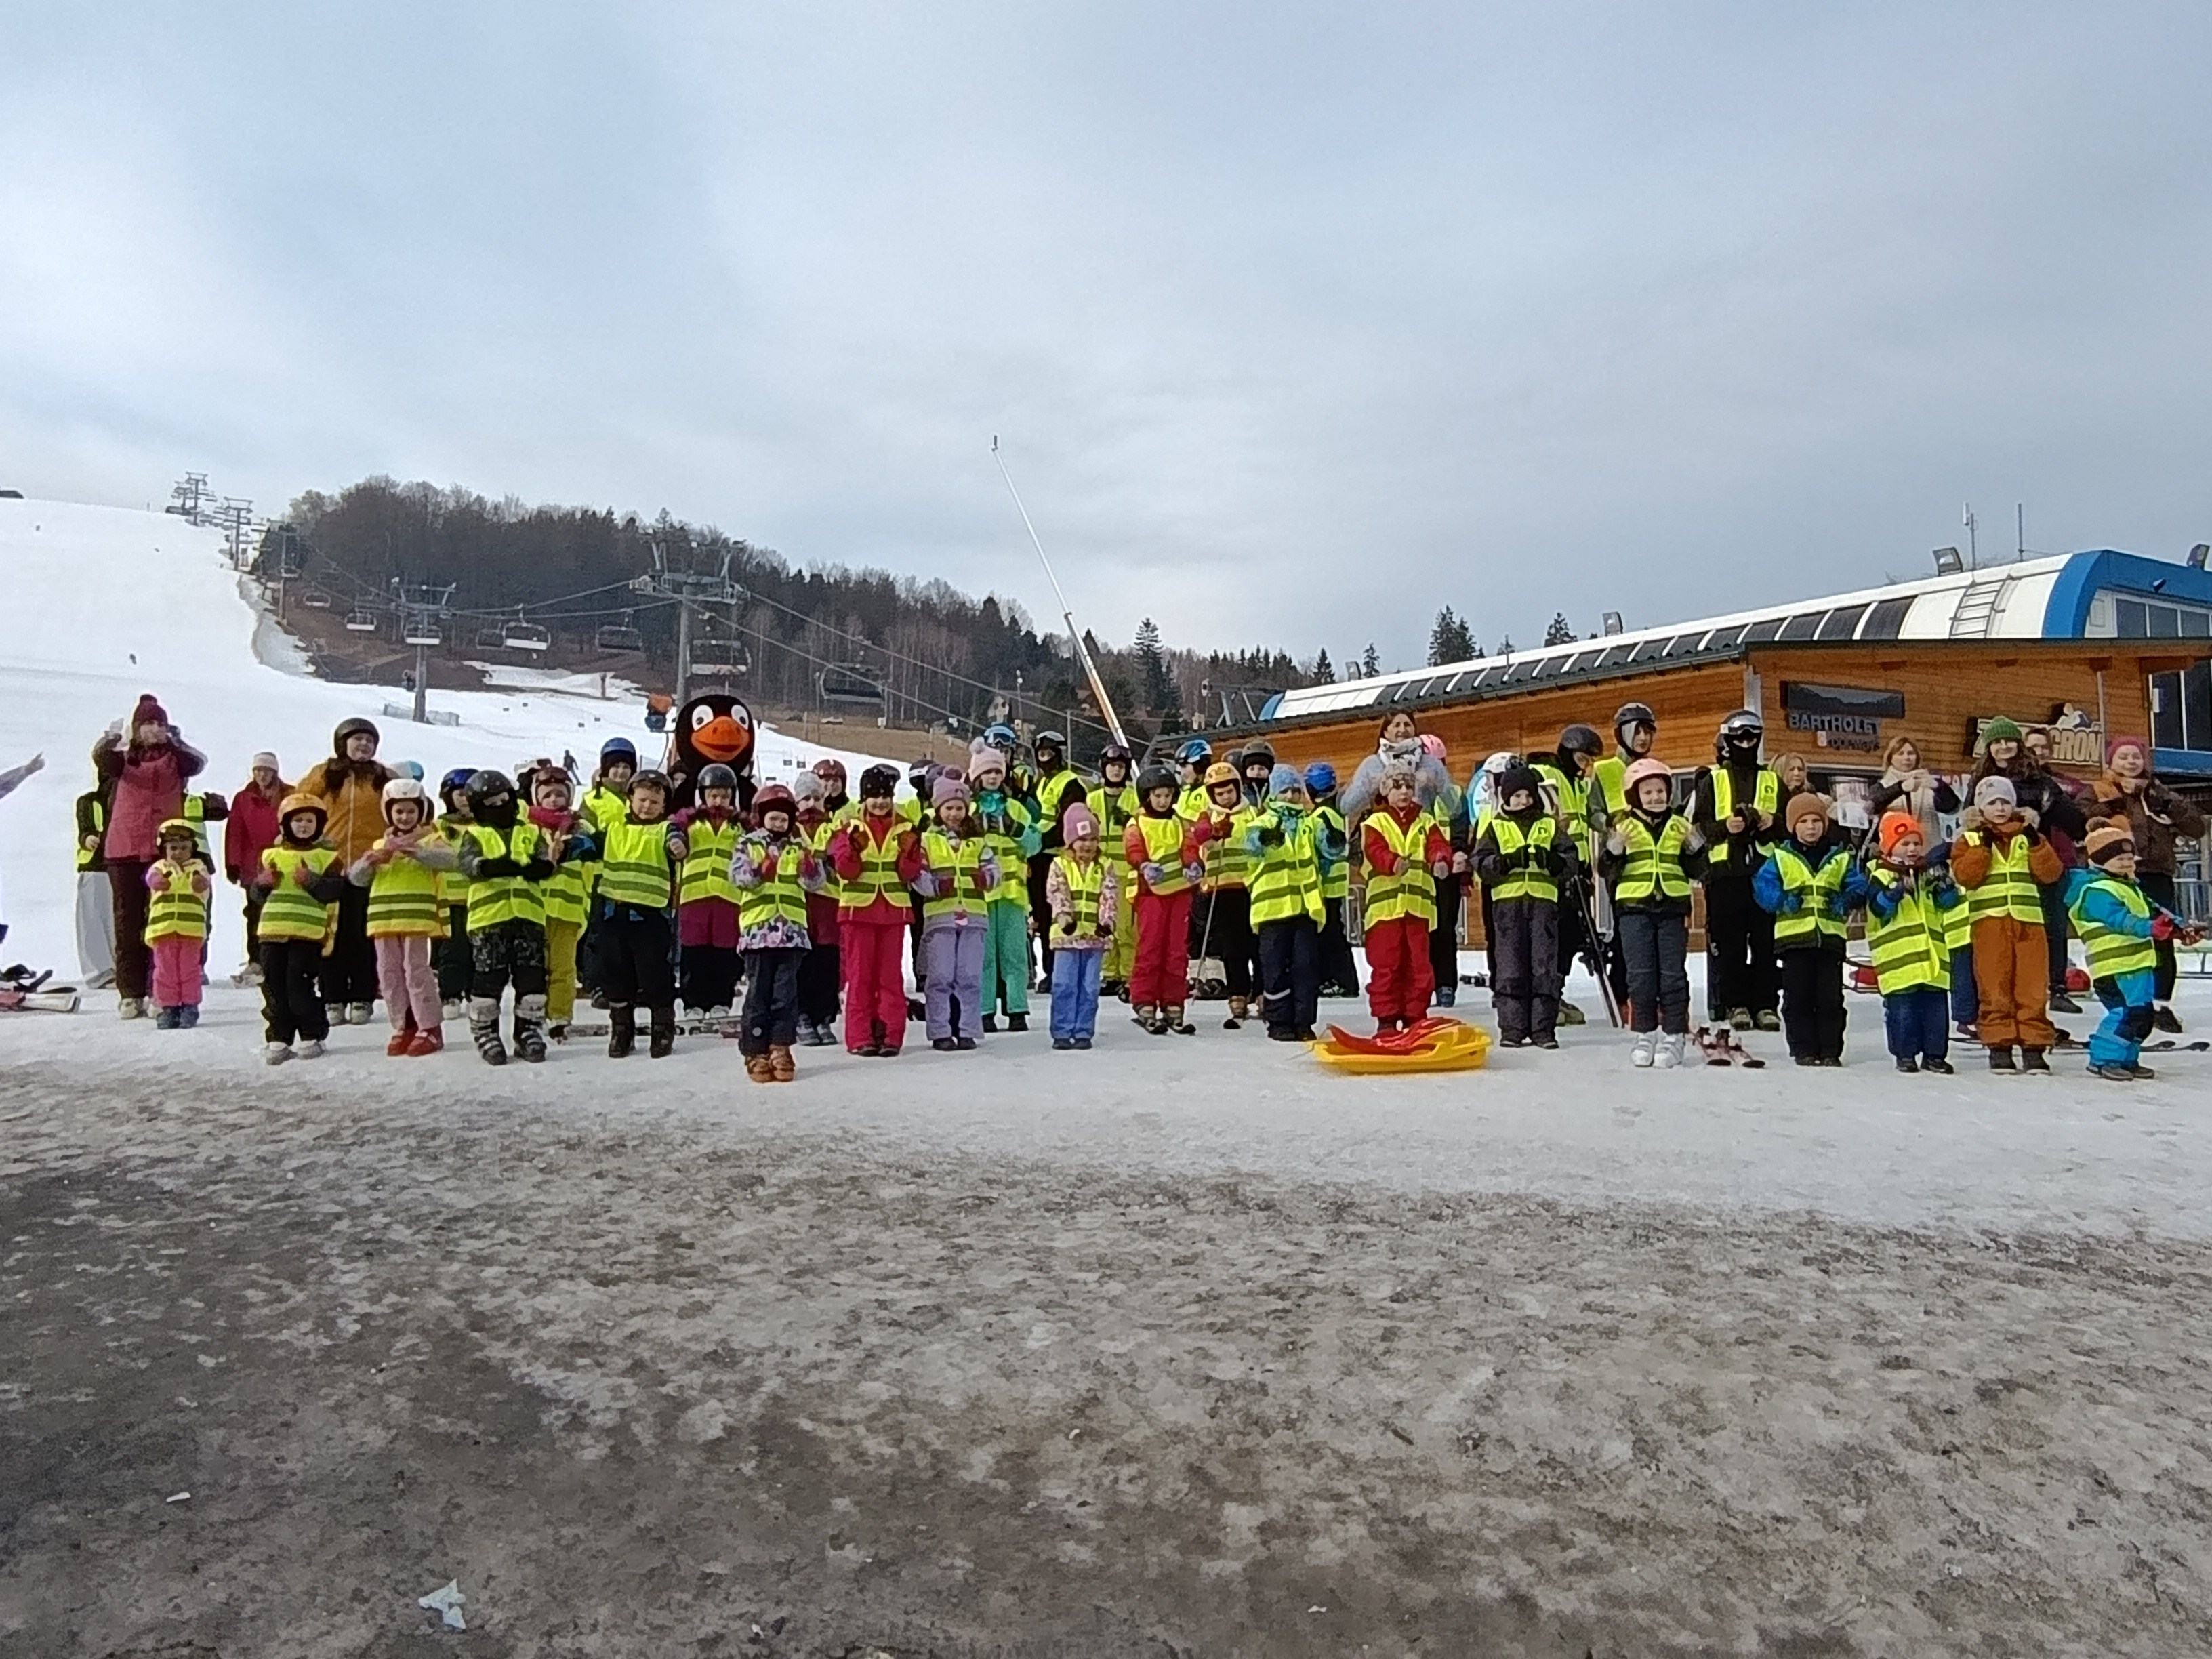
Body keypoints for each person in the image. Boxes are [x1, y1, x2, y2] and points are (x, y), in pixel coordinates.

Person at [91, 695, 206, 1019]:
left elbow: (196, 763)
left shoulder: (175, 758)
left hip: (165, 851)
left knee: (164, 922)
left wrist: (175, 741)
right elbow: (101, 758)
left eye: (160, 723)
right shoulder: (123, 758)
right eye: (148, 723)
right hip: (125, 849)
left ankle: (161, 990)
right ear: (137, 728)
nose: (155, 730)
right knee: (128, 922)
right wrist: (113, 737)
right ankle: (130, 992)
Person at [2086, 735, 2206, 1033]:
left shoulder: (2159, 791)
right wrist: (2111, 809)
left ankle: (2162, 1003)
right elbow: (2082, 820)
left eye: (2135, 757)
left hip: (2157, 872)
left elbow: (2197, 828)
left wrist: (2169, 805)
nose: (2130, 762)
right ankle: (2127, 1002)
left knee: (2162, 938)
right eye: (2123, 757)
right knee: (2125, 936)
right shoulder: (2100, 791)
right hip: (2116, 874)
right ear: (2111, 762)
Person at [2066, 823, 2201, 1081]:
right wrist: (2151, 928)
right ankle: (2104, 1058)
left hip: (2137, 964)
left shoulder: (2130, 887)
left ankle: (2127, 1058)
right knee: (2125, 1013)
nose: (2127, 864)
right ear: (2101, 860)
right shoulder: (2096, 891)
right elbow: (2121, 919)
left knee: (2142, 1015)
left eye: (2130, 859)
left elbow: (2157, 914)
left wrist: (2178, 930)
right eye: (2120, 859)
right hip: (2115, 967)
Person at [1970, 718, 2087, 1017]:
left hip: (2036, 858)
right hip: (1996, 864)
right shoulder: (1979, 778)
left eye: (2008, 740)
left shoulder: (2038, 777)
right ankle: (1999, 994)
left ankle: (2056, 987)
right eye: (1996, 742)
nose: (2003, 746)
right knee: (1999, 930)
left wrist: (2045, 810)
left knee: (2051, 926)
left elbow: (2075, 824)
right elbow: (1967, 816)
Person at [1949, 774, 2062, 1073]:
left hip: (2028, 921)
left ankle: (2034, 1046)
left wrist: (2037, 843)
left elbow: (2051, 874)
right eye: (1992, 803)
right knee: (1994, 985)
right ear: (1981, 808)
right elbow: (1966, 876)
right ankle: (1999, 1045)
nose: (1999, 808)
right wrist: (1983, 848)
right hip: (1990, 922)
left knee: (2033, 987)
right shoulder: (1970, 838)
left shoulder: (2030, 836)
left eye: (2005, 802)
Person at [1600, 757, 1708, 1067]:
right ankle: (1644, 1033)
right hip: (1634, 909)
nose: (1655, 797)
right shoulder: (1623, 826)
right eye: (1647, 792)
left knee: (1673, 975)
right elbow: (1605, 868)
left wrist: (1695, 848)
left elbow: (1700, 868)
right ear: (1636, 796)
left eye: (1660, 791)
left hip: (1672, 909)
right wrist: (1615, 849)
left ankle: (1674, 1036)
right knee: (1640, 976)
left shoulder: (1681, 825)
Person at [454, 769, 556, 1066]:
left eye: (504, 800)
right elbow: (468, 864)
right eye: (491, 804)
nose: (500, 808)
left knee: (531, 978)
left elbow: (544, 861)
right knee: (489, 978)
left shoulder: (531, 831)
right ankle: (486, 1032)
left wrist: (543, 868)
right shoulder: (475, 834)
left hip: (528, 917)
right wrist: (488, 867)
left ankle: (528, 1032)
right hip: (489, 919)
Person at [296, 718, 394, 1027]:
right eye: (357, 740)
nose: (363, 745)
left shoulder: (383, 777)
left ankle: (363, 996)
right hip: (331, 864)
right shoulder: (326, 773)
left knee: (363, 935)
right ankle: (332, 997)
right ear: (342, 743)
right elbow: (299, 804)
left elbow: (406, 810)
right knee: (332, 937)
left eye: (369, 740)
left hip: (369, 866)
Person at [1847, 811, 1962, 1074]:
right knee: (1903, 1012)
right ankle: (1905, 1054)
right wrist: (1894, 894)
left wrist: (1945, 887)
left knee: (1935, 1011)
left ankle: (1935, 1054)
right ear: (1890, 847)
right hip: (1899, 962)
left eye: (1916, 843)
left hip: (1932, 959)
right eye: (1905, 844)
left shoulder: (1927, 873)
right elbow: (1878, 909)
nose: (1912, 849)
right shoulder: (1879, 874)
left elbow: (1949, 904)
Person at [350, 776, 457, 1056]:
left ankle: (429, 1028)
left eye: (411, 811)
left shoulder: (431, 840)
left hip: (417, 918)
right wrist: (369, 861)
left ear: (421, 812)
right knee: (388, 974)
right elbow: (357, 879)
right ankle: (403, 1025)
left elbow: (451, 861)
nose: (405, 816)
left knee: (416, 972)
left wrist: (420, 852)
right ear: (389, 813)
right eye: (399, 811)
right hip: (383, 921)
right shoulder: (379, 845)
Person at [1691, 710, 1782, 1032]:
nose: (1747, 742)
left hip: (1764, 873)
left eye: (1752, 736)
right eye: (1740, 737)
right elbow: (1696, 830)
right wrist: (1725, 826)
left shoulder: (1772, 779)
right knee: (1730, 946)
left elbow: (1792, 827)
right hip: (1725, 873)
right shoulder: (1712, 781)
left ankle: (1767, 1005)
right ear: (1729, 740)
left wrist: (1772, 822)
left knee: (1766, 944)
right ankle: (1736, 1004)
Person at [731, 782, 827, 1082]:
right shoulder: (748, 844)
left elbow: (816, 883)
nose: (779, 824)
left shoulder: (798, 847)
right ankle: (755, 1049)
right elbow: (739, 877)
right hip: (759, 932)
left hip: (791, 932)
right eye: (773, 818)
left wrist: (811, 868)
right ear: (762, 818)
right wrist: (761, 869)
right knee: (759, 994)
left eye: (784, 819)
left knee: (785, 995)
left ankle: (780, 1046)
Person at [828, 764, 924, 1056]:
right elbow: (845, 871)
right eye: (873, 796)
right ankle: (859, 1037)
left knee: (890, 977)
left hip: (893, 912)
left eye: (885, 795)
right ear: (864, 797)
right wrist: (852, 851)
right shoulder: (849, 827)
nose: (880, 801)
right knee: (860, 977)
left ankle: (891, 1035)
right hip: (858, 912)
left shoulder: (906, 826)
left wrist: (910, 853)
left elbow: (909, 874)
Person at [1472, 761, 1568, 1048]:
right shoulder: (1495, 827)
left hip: (1543, 907)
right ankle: (1512, 1028)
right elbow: (1481, 862)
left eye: (1527, 795)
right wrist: (1504, 862)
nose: (1523, 801)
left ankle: (1543, 1029)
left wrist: (1555, 862)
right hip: (1508, 908)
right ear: (1506, 798)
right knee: (1510, 968)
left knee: (1544, 968)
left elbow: (1570, 860)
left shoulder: (1549, 825)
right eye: (1516, 796)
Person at [1753, 792, 1852, 1066]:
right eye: (1804, 821)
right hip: (1795, 941)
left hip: (1829, 939)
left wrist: (1845, 899)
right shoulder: (1781, 857)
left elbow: (1856, 884)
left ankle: (1830, 1049)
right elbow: (1763, 888)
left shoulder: (1839, 856)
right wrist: (1784, 900)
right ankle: (1803, 1048)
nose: (1811, 827)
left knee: (1830, 998)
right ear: (1793, 826)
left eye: (1816, 821)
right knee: (1799, 998)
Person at [253, 792, 347, 1064]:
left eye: (309, 820)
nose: (304, 825)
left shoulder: (327, 857)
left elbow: (334, 891)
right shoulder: (270, 854)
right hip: (272, 932)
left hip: (307, 934)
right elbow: (256, 895)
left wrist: (312, 881)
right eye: (298, 820)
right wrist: (262, 883)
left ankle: (311, 1033)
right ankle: (278, 1035)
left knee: (299, 985)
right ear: (286, 823)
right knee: (273, 986)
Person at [1360, 760, 1452, 1033]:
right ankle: (1387, 1019)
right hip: (1385, 912)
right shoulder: (1375, 822)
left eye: (1408, 786)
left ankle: (1415, 1016)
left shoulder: (1426, 821)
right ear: (1386, 790)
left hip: (1417, 909)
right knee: (1387, 965)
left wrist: (1439, 859)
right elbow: (1374, 850)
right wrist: (1391, 862)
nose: (1403, 792)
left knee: (1419, 966)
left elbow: (1438, 844)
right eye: (1397, 786)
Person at [596, 769, 682, 1059]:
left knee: (655, 974)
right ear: (630, 798)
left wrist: (678, 847)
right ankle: (622, 1029)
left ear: (664, 805)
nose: (647, 807)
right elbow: (590, 845)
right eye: (643, 800)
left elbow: (678, 843)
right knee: (616, 976)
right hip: (614, 915)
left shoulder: (665, 829)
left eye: (655, 803)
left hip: (650, 917)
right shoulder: (614, 829)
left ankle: (662, 1028)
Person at [918, 772, 999, 1050]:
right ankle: (940, 1030)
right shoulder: (928, 840)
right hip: (941, 918)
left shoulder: (978, 842)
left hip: (974, 917)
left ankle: (967, 1029)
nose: (954, 813)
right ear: (938, 809)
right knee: (940, 976)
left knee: (970, 976)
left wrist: (985, 879)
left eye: (959, 808)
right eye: (949, 808)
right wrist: (936, 887)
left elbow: (994, 872)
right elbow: (918, 876)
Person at [1532, 722, 1605, 1025]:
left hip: (1577, 871)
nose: (1585, 767)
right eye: (1582, 760)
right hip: (1555, 870)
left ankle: (1556, 993)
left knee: (1572, 938)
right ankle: (1544, 997)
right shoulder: (1547, 775)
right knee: (1553, 937)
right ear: (1567, 752)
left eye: (1589, 762)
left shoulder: (1577, 784)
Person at [1244, 765, 1324, 1042]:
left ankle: (1303, 1021)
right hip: (1272, 909)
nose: (1291, 796)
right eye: (1285, 790)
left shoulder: (1309, 822)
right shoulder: (1263, 822)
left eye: (1295, 791)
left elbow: (1329, 849)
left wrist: (1334, 841)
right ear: (1274, 793)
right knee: (1275, 969)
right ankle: (1278, 1021)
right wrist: (1265, 839)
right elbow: (1251, 844)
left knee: (1306, 967)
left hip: (1305, 908)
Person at [1125, 763, 1202, 1037]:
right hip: (1150, 893)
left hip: (1179, 891)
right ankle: (1144, 1000)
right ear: (1147, 796)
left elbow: (1189, 845)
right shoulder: (1137, 823)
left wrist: (1194, 864)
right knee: (1151, 947)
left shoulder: (1180, 823)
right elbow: (1133, 847)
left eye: (1167, 795)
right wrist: (1143, 865)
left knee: (1177, 950)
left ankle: (1173, 1001)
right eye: (1157, 796)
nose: (1162, 801)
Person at [967, 747, 1039, 1032]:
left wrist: (1016, 829)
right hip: (981, 894)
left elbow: (1035, 844)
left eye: (997, 771)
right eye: (987, 772)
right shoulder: (969, 809)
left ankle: (1017, 1008)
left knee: (1015, 953)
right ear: (977, 776)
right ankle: (985, 1009)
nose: (993, 777)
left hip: (1012, 893)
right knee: (984, 955)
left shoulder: (1015, 808)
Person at [524, 766, 598, 1041]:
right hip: (535, 908)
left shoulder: (580, 827)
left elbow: (592, 855)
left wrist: (570, 849)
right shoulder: (528, 828)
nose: (554, 799)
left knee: (563, 967)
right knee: (535, 966)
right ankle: (533, 1013)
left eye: (560, 794)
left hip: (568, 909)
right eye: (548, 795)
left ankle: (560, 1016)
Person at [668, 762, 743, 1019]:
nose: (718, 801)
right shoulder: (689, 821)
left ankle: (721, 999)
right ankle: (694, 1002)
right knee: (694, 951)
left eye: (724, 795)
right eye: (713, 795)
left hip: (728, 896)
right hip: (695, 895)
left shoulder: (739, 826)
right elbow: (673, 833)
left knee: (724, 952)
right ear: (703, 795)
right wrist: (676, 842)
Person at [1189, 760, 1260, 1026]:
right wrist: (1214, 835)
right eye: (1220, 793)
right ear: (1212, 795)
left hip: (1252, 885)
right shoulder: (1208, 815)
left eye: (1230, 791)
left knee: (1258, 944)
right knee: (1233, 946)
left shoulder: (1251, 813)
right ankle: (1238, 993)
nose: (1226, 797)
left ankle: (1261, 992)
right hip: (1223, 887)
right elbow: (1199, 837)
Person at [1045, 802, 1119, 1048]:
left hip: (1094, 937)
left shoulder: (1105, 866)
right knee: (1064, 984)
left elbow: (1109, 895)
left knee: (1089, 987)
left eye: (1093, 839)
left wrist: (1106, 922)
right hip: (1068, 936)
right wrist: (1064, 916)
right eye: (1082, 839)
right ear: (1071, 841)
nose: (1088, 845)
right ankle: (1063, 1031)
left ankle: (1084, 1030)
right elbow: (1057, 892)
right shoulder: (1060, 865)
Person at [1026, 730, 1088, 989]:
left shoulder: (1070, 784)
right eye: (1041, 754)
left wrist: (1042, 840)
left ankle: (1059, 972)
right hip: (1037, 857)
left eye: (1050, 754)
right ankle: (1049, 970)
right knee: (1040, 917)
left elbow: (1068, 820)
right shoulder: (1041, 782)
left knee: (1058, 916)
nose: (1045, 759)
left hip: (1057, 857)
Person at [222, 752, 287, 985]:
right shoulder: (244, 798)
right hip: (253, 866)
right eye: (258, 770)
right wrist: (233, 863)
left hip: (282, 864)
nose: (262, 775)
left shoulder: (289, 795)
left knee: (282, 912)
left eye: (267, 770)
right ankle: (256, 960)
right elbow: (235, 831)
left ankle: (281, 960)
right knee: (254, 914)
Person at [143, 817, 211, 1029]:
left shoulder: (198, 868)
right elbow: (151, 878)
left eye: (184, 848)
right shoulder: (160, 867)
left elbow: (204, 884)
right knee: (164, 971)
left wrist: (200, 884)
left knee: (189, 970)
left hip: (190, 930)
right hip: (163, 930)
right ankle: (168, 1007)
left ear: (192, 848)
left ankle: (189, 1006)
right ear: (164, 848)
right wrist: (156, 882)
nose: (178, 852)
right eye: (173, 848)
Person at [792, 771, 844, 1046]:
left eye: (816, 797)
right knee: (803, 962)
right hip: (799, 905)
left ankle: (824, 1017)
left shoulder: (834, 828)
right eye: (805, 798)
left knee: (827, 962)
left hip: (828, 903)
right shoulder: (791, 829)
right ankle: (801, 1015)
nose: (811, 803)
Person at [1305, 761, 1360, 1000]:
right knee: (1332, 933)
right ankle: (1337, 979)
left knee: (1330, 936)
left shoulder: (1321, 815)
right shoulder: (1335, 812)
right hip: (1336, 883)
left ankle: (1343, 980)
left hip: (1326, 885)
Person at [1092, 744, 1141, 997]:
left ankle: (1129, 973)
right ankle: (1109, 973)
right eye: (1111, 766)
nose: (1115, 771)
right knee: (1103, 923)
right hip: (1098, 872)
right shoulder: (1092, 799)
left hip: (1126, 872)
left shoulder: (1134, 798)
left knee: (1126, 926)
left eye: (1120, 767)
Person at [432, 770, 476, 1018]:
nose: (465, 799)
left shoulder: (485, 826)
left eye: (470, 794)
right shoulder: (439, 826)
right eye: (460, 794)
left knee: (477, 949)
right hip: (449, 898)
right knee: (451, 949)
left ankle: (474, 992)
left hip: (479, 898)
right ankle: (450, 994)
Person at [1870, 736, 1960, 853]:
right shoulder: (1882, 785)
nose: (1906, 757)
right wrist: (1900, 788)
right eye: (1900, 753)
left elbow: (1952, 808)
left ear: (1917, 757)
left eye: (1911, 753)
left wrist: (1939, 788)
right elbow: (1872, 806)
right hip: (1894, 851)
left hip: (1929, 851)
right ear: (1890, 758)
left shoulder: (1929, 782)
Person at [73, 770, 117, 990]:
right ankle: (99, 972)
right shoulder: (89, 801)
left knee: (117, 920)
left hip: (121, 866)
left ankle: (121, 969)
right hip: (95, 867)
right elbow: (85, 826)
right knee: (93, 921)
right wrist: (87, 837)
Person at [1174, 738, 1214, 821]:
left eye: (1184, 766)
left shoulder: (1213, 791)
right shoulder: (1184, 790)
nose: (1182, 773)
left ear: (1200, 765)